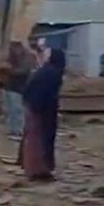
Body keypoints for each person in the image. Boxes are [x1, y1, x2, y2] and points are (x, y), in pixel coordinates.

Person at [19, 48, 66, 181]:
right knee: (39, 140)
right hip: (40, 110)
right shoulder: (52, 72)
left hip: (37, 108)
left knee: (35, 139)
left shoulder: (46, 71)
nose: (44, 55)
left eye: (47, 53)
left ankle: (36, 169)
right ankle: (38, 171)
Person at [1, 42, 35, 140]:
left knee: (17, 110)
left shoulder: (26, 59)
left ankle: (19, 131)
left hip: (19, 88)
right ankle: (13, 130)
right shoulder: (12, 59)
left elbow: (22, 72)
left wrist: (9, 69)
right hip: (10, 87)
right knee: (11, 110)